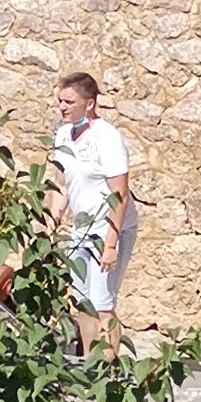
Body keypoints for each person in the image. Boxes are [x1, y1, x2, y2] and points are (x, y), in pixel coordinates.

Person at [48, 71, 135, 353]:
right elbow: (62, 185)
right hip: (81, 228)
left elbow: (119, 194)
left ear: (90, 104)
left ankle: (109, 373)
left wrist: (110, 244)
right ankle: (90, 363)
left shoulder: (107, 138)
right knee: (82, 300)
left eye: (69, 102)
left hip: (108, 228)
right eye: (60, 100)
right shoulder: (63, 134)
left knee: (102, 303)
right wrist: (51, 222)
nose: (62, 106)